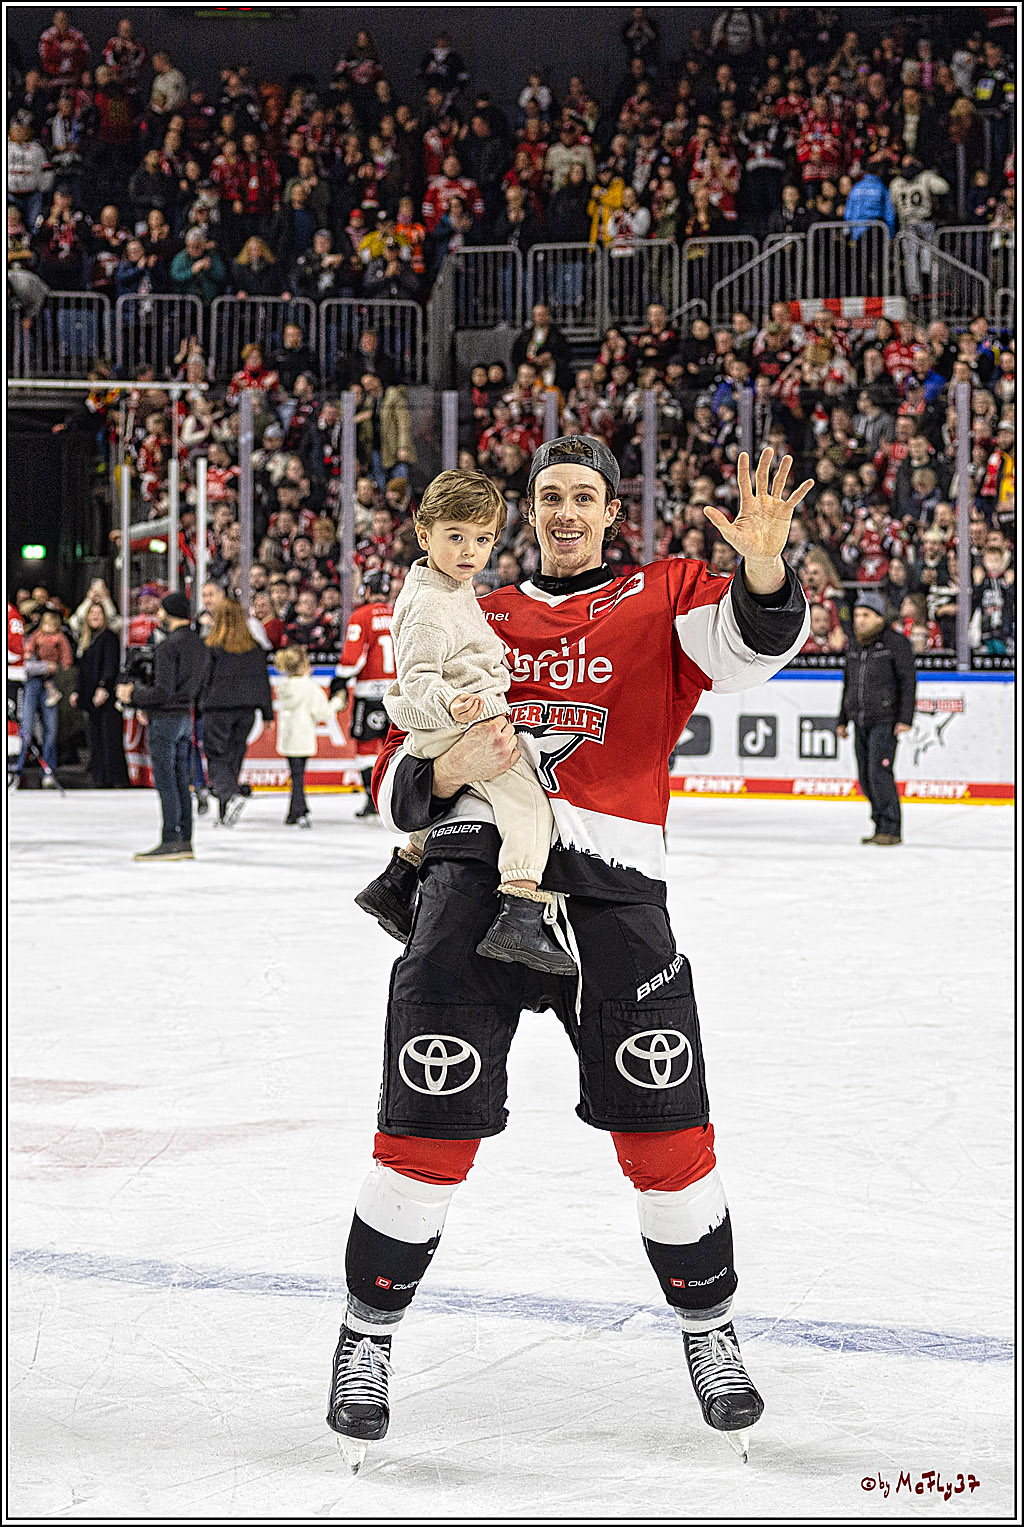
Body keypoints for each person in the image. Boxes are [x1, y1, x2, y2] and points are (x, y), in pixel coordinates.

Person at [325, 438, 813, 1469]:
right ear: (523, 515)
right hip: (468, 884)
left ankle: (709, 1332)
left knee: (667, 1140)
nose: (565, 512)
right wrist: (448, 761)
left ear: (607, 512)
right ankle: (364, 1342)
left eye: (582, 497)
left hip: (612, 896)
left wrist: (763, 568)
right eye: (548, 497)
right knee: (423, 1135)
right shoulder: (468, 606)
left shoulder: (664, 593)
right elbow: (391, 786)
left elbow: (749, 645)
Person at [356, 471, 574, 974]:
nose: (469, 551)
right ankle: (520, 915)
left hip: (457, 716)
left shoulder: (451, 588)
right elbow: (417, 677)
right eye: (455, 536)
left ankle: (395, 885)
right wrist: (452, 704)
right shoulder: (431, 604)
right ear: (423, 532)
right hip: (456, 720)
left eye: (482, 539)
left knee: (459, 801)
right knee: (529, 805)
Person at [116, 591, 209, 861]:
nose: (158, 615)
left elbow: (163, 692)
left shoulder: (169, 646)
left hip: (166, 719)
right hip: (184, 719)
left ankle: (170, 839)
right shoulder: (199, 644)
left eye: (162, 611)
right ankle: (185, 839)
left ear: (169, 613)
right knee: (182, 781)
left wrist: (132, 695)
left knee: (167, 781)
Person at [836, 591, 917, 846]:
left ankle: (891, 828)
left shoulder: (896, 643)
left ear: (879, 617)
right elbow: (848, 683)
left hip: (886, 720)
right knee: (865, 776)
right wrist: (842, 718)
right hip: (860, 719)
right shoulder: (855, 644)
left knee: (879, 773)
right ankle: (879, 823)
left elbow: (907, 682)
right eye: (858, 614)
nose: (859, 620)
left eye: (866, 615)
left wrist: (905, 718)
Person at [199, 598, 273, 826]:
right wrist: (268, 713)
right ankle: (225, 809)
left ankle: (229, 795)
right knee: (235, 753)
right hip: (246, 712)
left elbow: (203, 681)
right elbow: (263, 682)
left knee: (217, 755)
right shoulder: (255, 649)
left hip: (217, 710)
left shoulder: (210, 648)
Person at [332, 568, 396, 818]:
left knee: (367, 746)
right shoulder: (401, 614)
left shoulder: (361, 616)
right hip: (400, 694)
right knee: (397, 746)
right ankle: (395, 800)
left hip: (370, 693)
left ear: (367, 590)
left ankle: (372, 800)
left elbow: (353, 659)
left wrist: (339, 680)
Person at [274, 643, 347, 827]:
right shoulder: (311, 688)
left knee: (295, 773)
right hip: (303, 735)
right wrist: (338, 701)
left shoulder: (284, 687)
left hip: (288, 737)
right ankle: (300, 810)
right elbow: (323, 712)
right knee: (298, 776)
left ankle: (294, 811)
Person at [69, 602, 128, 788]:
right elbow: (82, 669)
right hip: (90, 697)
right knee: (95, 738)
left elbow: (111, 665)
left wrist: (103, 687)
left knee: (109, 737)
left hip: (106, 697)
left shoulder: (108, 637)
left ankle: (115, 779)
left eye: (98, 613)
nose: (95, 616)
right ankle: (100, 777)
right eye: (91, 612)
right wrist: (77, 691)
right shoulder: (86, 640)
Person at [16, 609, 73, 785]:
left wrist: (61, 664)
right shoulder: (35, 636)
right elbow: (24, 663)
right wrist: (45, 666)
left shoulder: (60, 638)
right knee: (26, 726)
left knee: (51, 729)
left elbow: (66, 657)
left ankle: (48, 770)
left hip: (51, 683)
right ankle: (15, 770)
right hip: (33, 683)